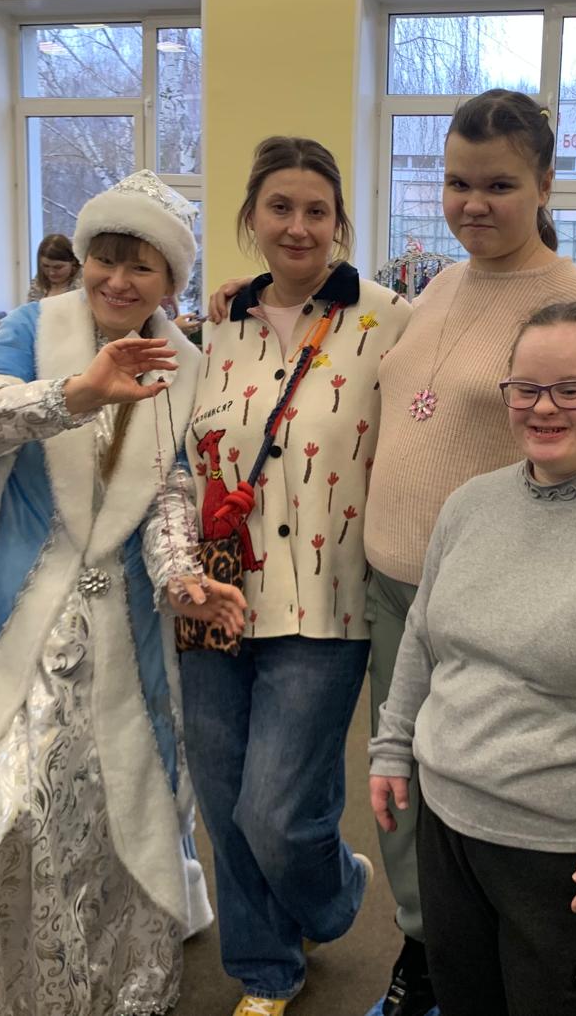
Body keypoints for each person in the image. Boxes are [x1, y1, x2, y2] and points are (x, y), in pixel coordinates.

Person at [207, 88, 576, 1016]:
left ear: (546, 185)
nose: (473, 203)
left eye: (499, 185)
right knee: (403, 790)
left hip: (490, 594)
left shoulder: (571, 297)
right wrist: (257, 295)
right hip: (385, 584)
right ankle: (428, 948)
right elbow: (352, 340)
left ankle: (448, 959)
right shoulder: (439, 284)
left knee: (466, 788)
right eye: (456, 183)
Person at [0, 170, 244, 1015]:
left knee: (116, 807)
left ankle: (120, 990)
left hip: (123, 629)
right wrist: (76, 394)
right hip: (21, 613)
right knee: (0, 807)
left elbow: (167, 487)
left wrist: (182, 576)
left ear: (171, 281)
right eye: (105, 259)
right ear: (82, 261)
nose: (118, 280)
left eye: (142, 266)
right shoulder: (34, 328)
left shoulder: (185, 364)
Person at [369, 300, 576, 1016]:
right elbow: (424, 638)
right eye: (525, 389)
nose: (543, 407)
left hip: (570, 854)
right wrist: (393, 746)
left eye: (571, 389)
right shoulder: (471, 504)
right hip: (448, 827)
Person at [182, 136, 411, 1016]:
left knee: (275, 812)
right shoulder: (221, 324)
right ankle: (266, 969)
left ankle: (335, 893)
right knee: (223, 797)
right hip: (215, 593)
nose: (298, 226)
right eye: (280, 207)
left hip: (329, 600)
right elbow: (191, 453)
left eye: (317, 210)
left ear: (340, 221)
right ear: (251, 217)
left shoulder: (388, 319)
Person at [25, 231, 83, 301]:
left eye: (58, 267)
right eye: (46, 266)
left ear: (73, 262)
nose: (51, 273)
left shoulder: (83, 285)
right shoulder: (37, 284)